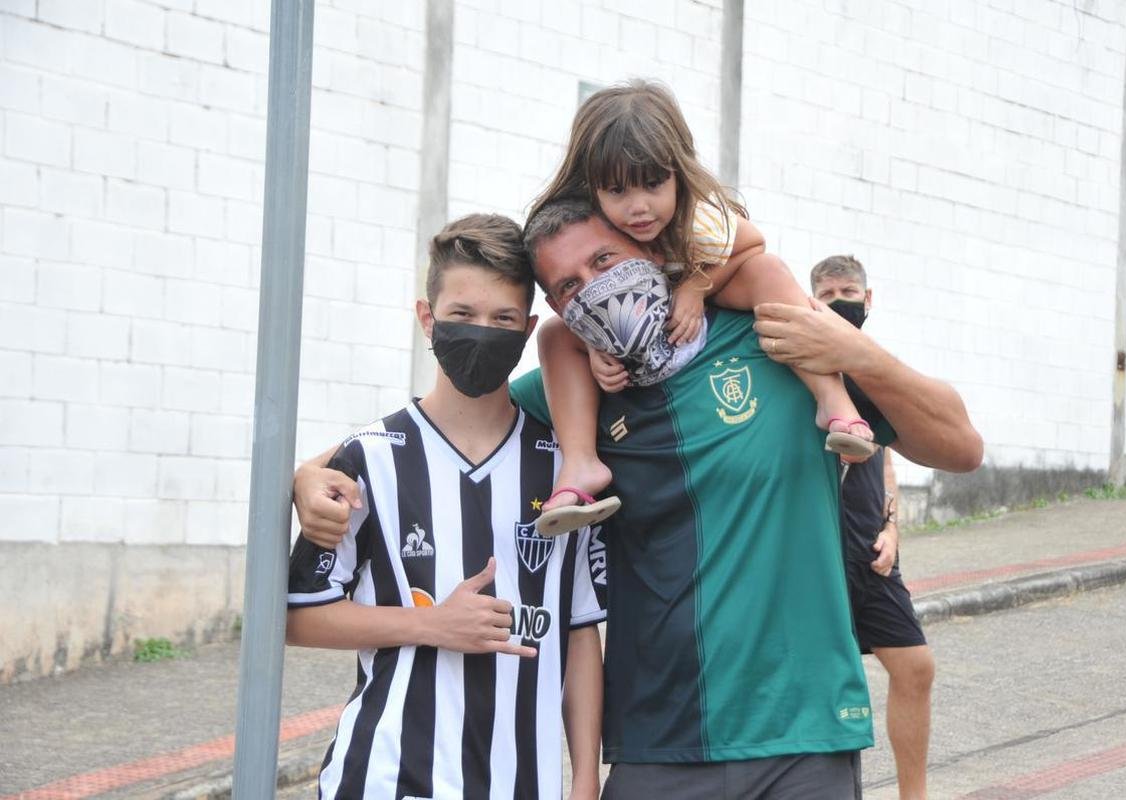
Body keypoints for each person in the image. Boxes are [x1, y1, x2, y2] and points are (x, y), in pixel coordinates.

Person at [294, 197, 982, 798]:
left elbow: (960, 448)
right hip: (657, 745)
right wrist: (305, 476)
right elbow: (454, 429)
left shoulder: (783, 340)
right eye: (568, 287)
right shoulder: (581, 394)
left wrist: (860, 354)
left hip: (801, 737)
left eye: (605, 261)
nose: (595, 290)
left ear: (651, 247)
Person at [285, 214, 607, 800]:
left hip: (524, 784)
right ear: (427, 319)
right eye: (462, 315)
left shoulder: (565, 466)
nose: (482, 332)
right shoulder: (368, 458)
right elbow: (296, 615)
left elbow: (580, 631)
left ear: (527, 328)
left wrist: (584, 777)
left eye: (503, 319)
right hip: (388, 779)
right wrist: (429, 625)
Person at [529, 80, 876, 537]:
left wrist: (694, 287)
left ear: (677, 171)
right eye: (617, 191)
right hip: (644, 315)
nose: (639, 208)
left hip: (708, 282)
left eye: (654, 184)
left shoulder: (700, 214)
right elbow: (583, 301)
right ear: (593, 188)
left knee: (768, 270)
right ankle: (580, 464)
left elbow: (751, 240)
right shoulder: (593, 224)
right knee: (555, 336)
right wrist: (596, 343)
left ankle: (833, 400)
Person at [813, 254, 935, 800]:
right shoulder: (804, 370)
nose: (839, 299)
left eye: (848, 290)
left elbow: (887, 458)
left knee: (915, 667)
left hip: (870, 551)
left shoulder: (876, 371)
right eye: (826, 291)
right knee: (829, 688)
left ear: (868, 299)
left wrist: (892, 528)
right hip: (813, 555)